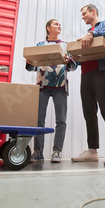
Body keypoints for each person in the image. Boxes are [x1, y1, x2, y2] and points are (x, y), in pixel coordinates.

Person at [71, 4, 105, 166]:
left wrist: (91, 34)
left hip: (101, 73)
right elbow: (87, 55)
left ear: (94, 12)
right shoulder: (87, 34)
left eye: (85, 13)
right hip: (85, 74)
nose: (83, 17)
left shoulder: (104, 24)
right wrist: (76, 59)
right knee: (89, 113)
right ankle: (92, 151)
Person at [25, 19, 77, 163]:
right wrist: (29, 63)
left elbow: (73, 67)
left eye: (60, 24)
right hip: (43, 85)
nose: (59, 26)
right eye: (56, 24)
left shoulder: (65, 46)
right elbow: (32, 67)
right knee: (39, 120)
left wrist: (69, 62)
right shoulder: (40, 45)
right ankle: (38, 152)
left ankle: (57, 152)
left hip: (60, 86)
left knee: (61, 120)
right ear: (48, 28)